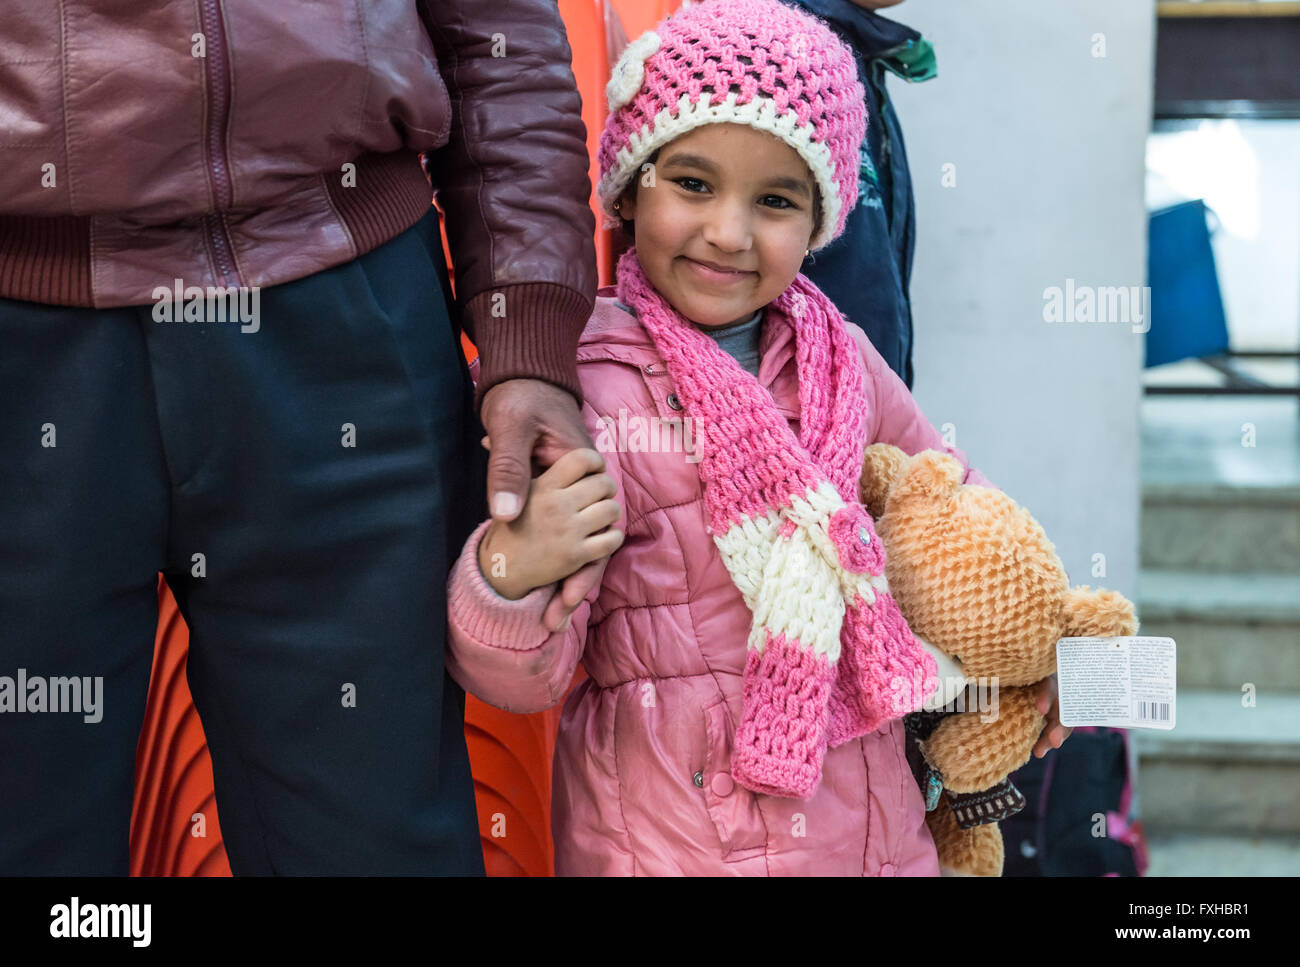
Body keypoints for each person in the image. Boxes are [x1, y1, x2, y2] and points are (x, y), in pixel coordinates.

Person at [445, 0, 1067, 875]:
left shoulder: (843, 362)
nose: (729, 233)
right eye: (693, 184)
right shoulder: (581, 379)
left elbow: (956, 519)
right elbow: (520, 678)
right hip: (664, 841)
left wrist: (1035, 650)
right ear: (630, 185)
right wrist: (512, 568)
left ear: (818, 222)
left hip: (871, 837)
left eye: (775, 200)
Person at [0, 1, 597, 874]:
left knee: (375, 847)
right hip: (28, 335)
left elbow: (496, 30)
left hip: (341, 310)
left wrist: (528, 330)